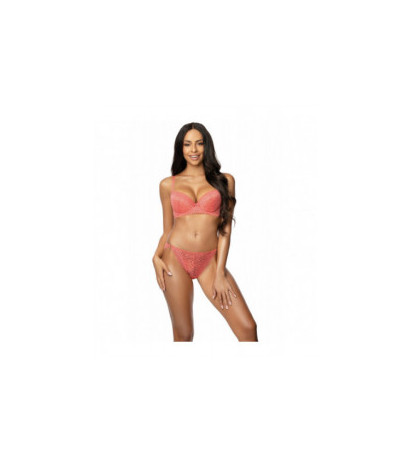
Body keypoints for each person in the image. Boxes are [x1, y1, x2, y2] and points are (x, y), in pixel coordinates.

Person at [152, 122, 258, 342]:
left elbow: (225, 231)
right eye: (187, 144)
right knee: (184, 335)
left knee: (248, 328)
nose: (193, 149)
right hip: (174, 259)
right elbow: (167, 230)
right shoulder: (167, 185)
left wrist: (220, 273)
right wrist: (155, 256)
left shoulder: (225, 181)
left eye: (199, 143)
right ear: (180, 148)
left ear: (206, 146)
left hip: (210, 262)